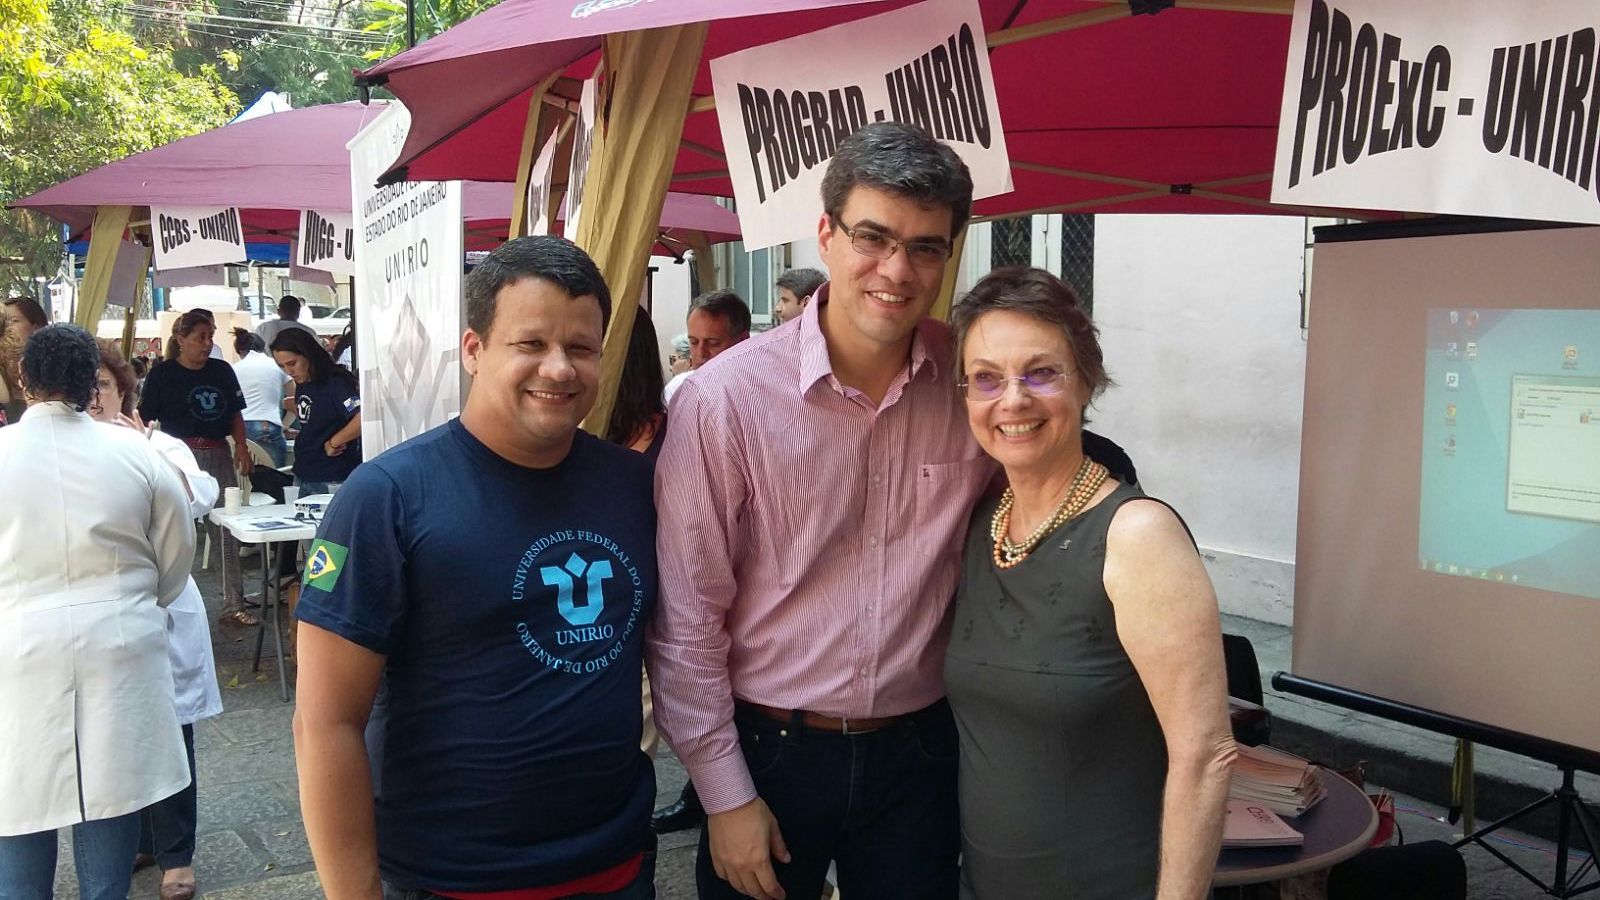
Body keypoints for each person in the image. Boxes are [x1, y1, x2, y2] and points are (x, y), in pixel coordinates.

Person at [651, 122, 992, 900]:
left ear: (950, 254)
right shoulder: (725, 400)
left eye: (926, 248)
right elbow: (687, 620)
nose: (897, 270)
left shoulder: (972, 383)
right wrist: (722, 794)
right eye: (874, 238)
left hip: (920, 755)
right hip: (771, 751)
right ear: (827, 235)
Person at [293, 235, 658, 900]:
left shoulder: (637, 487)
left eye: (580, 348)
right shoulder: (386, 498)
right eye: (530, 344)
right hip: (449, 879)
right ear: (473, 349)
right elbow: (325, 722)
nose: (559, 368)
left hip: (616, 868)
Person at [945, 267, 1235, 900]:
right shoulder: (981, 525)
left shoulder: (1137, 536)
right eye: (986, 378)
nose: (1012, 400)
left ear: (1086, 381)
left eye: (1041, 373)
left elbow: (1205, 754)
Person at [0, 325, 196, 900]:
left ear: (23, 379)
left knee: (18, 797)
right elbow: (175, 556)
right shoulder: (137, 454)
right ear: (92, 383)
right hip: (121, 642)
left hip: (16, 646)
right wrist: (133, 603)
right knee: (112, 793)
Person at [91, 343, 223, 900]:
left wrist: (146, 451)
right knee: (112, 733)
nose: (94, 397)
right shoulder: (67, 451)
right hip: (98, 614)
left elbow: (199, 498)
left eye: (103, 384)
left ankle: (176, 854)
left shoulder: (159, 444)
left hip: (160, 603)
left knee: (170, 732)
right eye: (84, 387)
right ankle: (138, 840)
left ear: (124, 391)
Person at [139, 309, 257, 627]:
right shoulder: (162, 375)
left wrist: (241, 446)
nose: (207, 344)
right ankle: (167, 602)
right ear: (181, 339)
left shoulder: (222, 370)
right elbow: (145, 420)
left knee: (225, 528)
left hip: (218, 451)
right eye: (200, 337)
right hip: (178, 457)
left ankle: (233, 603)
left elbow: (235, 414)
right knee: (170, 530)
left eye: (210, 336)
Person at [269, 327, 361, 495]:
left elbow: (361, 417)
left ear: (308, 355)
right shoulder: (303, 383)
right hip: (303, 472)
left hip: (332, 476)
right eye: (282, 366)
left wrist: (335, 441)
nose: (288, 372)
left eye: (292, 363)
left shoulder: (335, 382)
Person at [661, 289, 750, 406]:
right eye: (693, 342)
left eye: (713, 343)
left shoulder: (761, 395)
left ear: (743, 341)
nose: (701, 353)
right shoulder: (677, 391)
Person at [234, 327, 290, 467]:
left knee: (245, 475)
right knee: (275, 474)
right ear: (262, 347)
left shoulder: (233, 368)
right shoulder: (277, 365)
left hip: (240, 427)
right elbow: (296, 397)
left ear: (240, 351)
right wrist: (285, 425)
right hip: (268, 424)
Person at [1, 296, 49, 422]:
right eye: (3, 322)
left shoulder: (51, 367)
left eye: (14, 321)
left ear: (36, 327)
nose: (6, 327)